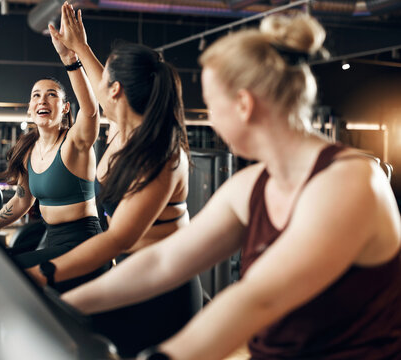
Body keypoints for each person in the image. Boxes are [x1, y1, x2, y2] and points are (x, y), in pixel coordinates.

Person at [60, 13, 401, 360]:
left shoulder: (348, 182)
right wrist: (60, 306)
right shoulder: (250, 186)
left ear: (243, 105)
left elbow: (259, 297)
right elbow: (161, 262)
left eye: (211, 104)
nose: (209, 118)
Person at [25, 2, 202, 356]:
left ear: (117, 90)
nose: (99, 85)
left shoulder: (158, 154)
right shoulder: (124, 129)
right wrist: (75, 53)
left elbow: (118, 238)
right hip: (131, 277)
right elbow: (99, 89)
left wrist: (43, 271)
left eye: (106, 82)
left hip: (162, 293)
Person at [0, 19, 109, 293]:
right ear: (30, 108)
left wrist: (70, 59)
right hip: (52, 243)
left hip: (84, 247)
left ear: (65, 108)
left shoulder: (75, 142)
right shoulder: (28, 150)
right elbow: (20, 203)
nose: (42, 100)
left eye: (51, 95)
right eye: (36, 96)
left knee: (5, 276)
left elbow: (90, 112)